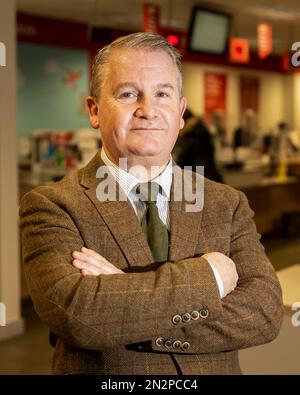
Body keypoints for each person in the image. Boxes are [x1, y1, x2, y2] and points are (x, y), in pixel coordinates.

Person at [20, 32, 283, 375]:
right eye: (128, 94)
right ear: (94, 110)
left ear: (180, 111)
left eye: (162, 93)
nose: (148, 110)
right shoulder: (52, 206)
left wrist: (121, 304)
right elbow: (79, 316)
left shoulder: (226, 203)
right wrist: (210, 277)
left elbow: (263, 313)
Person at [174, 109, 223, 183]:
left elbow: (182, 162)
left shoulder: (190, 137)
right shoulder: (203, 132)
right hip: (210, 176)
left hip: (198, 178)